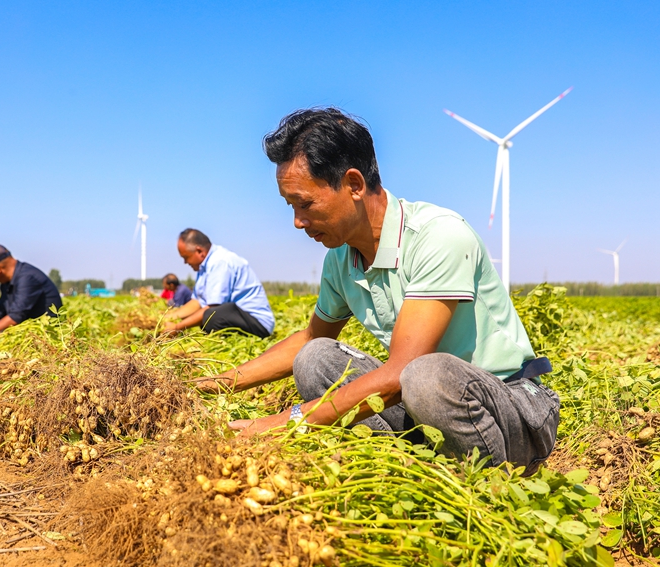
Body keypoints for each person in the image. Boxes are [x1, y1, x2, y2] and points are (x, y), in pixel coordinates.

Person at [201, 108, 559, 476]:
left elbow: (401, 372)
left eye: (305, 204)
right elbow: (310, 337)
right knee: (315, 357)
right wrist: (218, 383)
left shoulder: (438, 236)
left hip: (513, 406)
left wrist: (288, 421)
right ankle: (406, 472)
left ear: (354, 184)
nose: (297, 222)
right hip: (424, 403)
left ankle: (491, 488)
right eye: (291, 207)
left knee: (424, 376)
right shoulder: (340, 258)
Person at [163, 229, 274, 338]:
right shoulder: (203, 267)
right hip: (237, 317)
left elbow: (213, 307)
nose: (185, 262)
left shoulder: (220, 262)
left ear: (199, 251)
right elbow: (197, 302)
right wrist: (170, 317)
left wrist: (177, 327)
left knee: (211, 316)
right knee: (209, 317)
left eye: (186, 257)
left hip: (257, 324)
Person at [0, 243, 62, 340]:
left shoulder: (27, 277)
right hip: (27, 333)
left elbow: (15, 317)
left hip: (47, 335)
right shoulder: (7, 282)